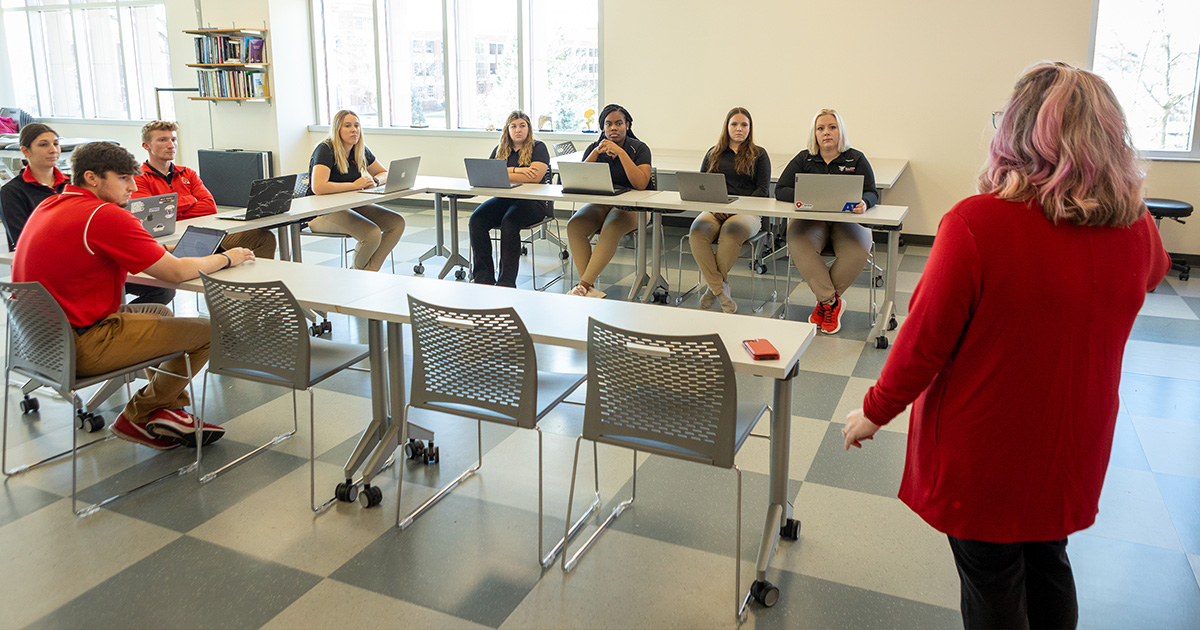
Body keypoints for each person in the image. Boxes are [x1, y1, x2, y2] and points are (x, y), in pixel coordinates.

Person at [841, 62, 1170, 629]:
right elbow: (1152, 274)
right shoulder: (1137, 228)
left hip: (987, 451)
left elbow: (923, 343)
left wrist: (873, 413)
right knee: (1049, 561)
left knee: (993, 581)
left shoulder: (977, 224)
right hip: (1071, 446)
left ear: (1015, 132)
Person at [13, 142, 258, 449]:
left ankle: (166, 410)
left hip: (37, 346)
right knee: (211, 331)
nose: (133, 186)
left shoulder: (51, 205)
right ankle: (139, 414)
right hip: (82, 345)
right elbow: (176, 274)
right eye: (123, 178)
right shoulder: (104, 215)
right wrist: (228, 257)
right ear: (92, 178)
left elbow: (107, 251)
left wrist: (162, 252)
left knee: (159, 312)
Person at [775, 108, 877, 334]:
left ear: (840, 131)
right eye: (820, 128)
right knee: (800, 245)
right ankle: (832, 303)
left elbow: (872, 192)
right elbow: (780, 190)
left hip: (847, 221)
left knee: (858, 249)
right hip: (811, 220)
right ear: (814, 134)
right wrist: (807, 197)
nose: (826, 132)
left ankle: (824, 303)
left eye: (832, 127)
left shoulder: (856, 158)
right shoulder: (804, 158)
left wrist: (865, 203)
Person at [134, 120, 277, 260]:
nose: (171, 145)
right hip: (170, 241)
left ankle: (258, 282)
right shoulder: (139, 178)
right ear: (146, 146)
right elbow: (152, 216)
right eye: (163, 140)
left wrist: (170, 209)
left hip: (204, 234)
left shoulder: (187, 173)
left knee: (264, 237)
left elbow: (209, 207)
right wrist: (191, 200)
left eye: (173, 139)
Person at [565, 103, 652, 298]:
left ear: (627, 125)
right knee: (574, 226)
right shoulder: (594, 148)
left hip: (635, 207)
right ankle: (590, 288)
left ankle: (583, 286)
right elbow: (580, 179)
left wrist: (621, 153)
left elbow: (640, 184)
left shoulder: (639, 148)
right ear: (603, 128)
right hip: (602, 203)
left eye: (619, 123)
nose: (614, 128)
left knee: (612, 225)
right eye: (608, 124)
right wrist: (596, 152)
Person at [689, 107, 770, 314]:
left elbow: (763, 190)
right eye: (734, 124)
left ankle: (713, 289)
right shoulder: (713, 153)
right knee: (697, 232)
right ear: (727, 127)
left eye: (744, 125)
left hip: (747, 212)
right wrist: (715, 208)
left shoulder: (759, 154)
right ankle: (721, 290)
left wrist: (736, 209)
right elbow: (702, 185)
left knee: (731, 232)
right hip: (715, 209)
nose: (739, 129)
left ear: (750, 129)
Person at [306, 109, 405, 271]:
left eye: (357, 125)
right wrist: (354, 185)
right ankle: (358, 277)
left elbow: (384, 173)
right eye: (348, 126)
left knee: (397, 223)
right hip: (321, 212)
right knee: (371, 234)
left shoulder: (359, 149)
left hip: (351, 205)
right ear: (337, 129)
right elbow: (318, 186)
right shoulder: (325, 149)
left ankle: (366, 272)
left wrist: (374, 180)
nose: (354, 130)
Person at [468, 110, 551, 287]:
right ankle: (483, 278)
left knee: (509, 223)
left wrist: (504, 172)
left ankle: (506, 282)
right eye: (513, 126)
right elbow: (488, 175)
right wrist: (518, 170)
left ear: (528, 128)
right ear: (507, 129)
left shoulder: (539, 147)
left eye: (522, 125)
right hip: (504, 200)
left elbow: (534, 177)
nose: (518, 130)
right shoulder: (500, 150)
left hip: (532, 203)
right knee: (476, 220)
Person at [1, 123, 67, 252]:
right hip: (37, 258)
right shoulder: (12, 191)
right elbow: (20, 238)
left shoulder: (71, 184)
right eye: (43, 144)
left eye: (56, 143)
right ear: (25, 151)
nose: (53, 149)